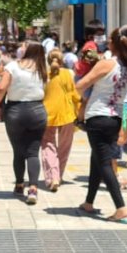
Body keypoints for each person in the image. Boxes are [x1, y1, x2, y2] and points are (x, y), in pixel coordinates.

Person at [75, 29, 127, 223]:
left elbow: (81, 85)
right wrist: (126, 127)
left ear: (113, 44)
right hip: (115, 119)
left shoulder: (106, 64)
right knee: (97, 158)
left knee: (104, 163)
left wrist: (80, 103)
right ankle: (89, 202)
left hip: (97, 116)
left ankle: (120, 207)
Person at [0, 42, 49, 205]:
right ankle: (33, 188)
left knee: (18, 151)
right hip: (37, 109)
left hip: (15, 111)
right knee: (33, 151)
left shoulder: (12, 66)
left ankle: (19, 184)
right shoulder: (43, 69)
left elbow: (1, 88)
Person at [41, 49, 81, 191]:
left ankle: (53, 176)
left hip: (47, 114)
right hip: (67, 113)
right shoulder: (68, 74)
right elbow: (74, 94)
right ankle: (59, 175)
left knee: (47, 145)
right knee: (64, 147)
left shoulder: (44, 74)